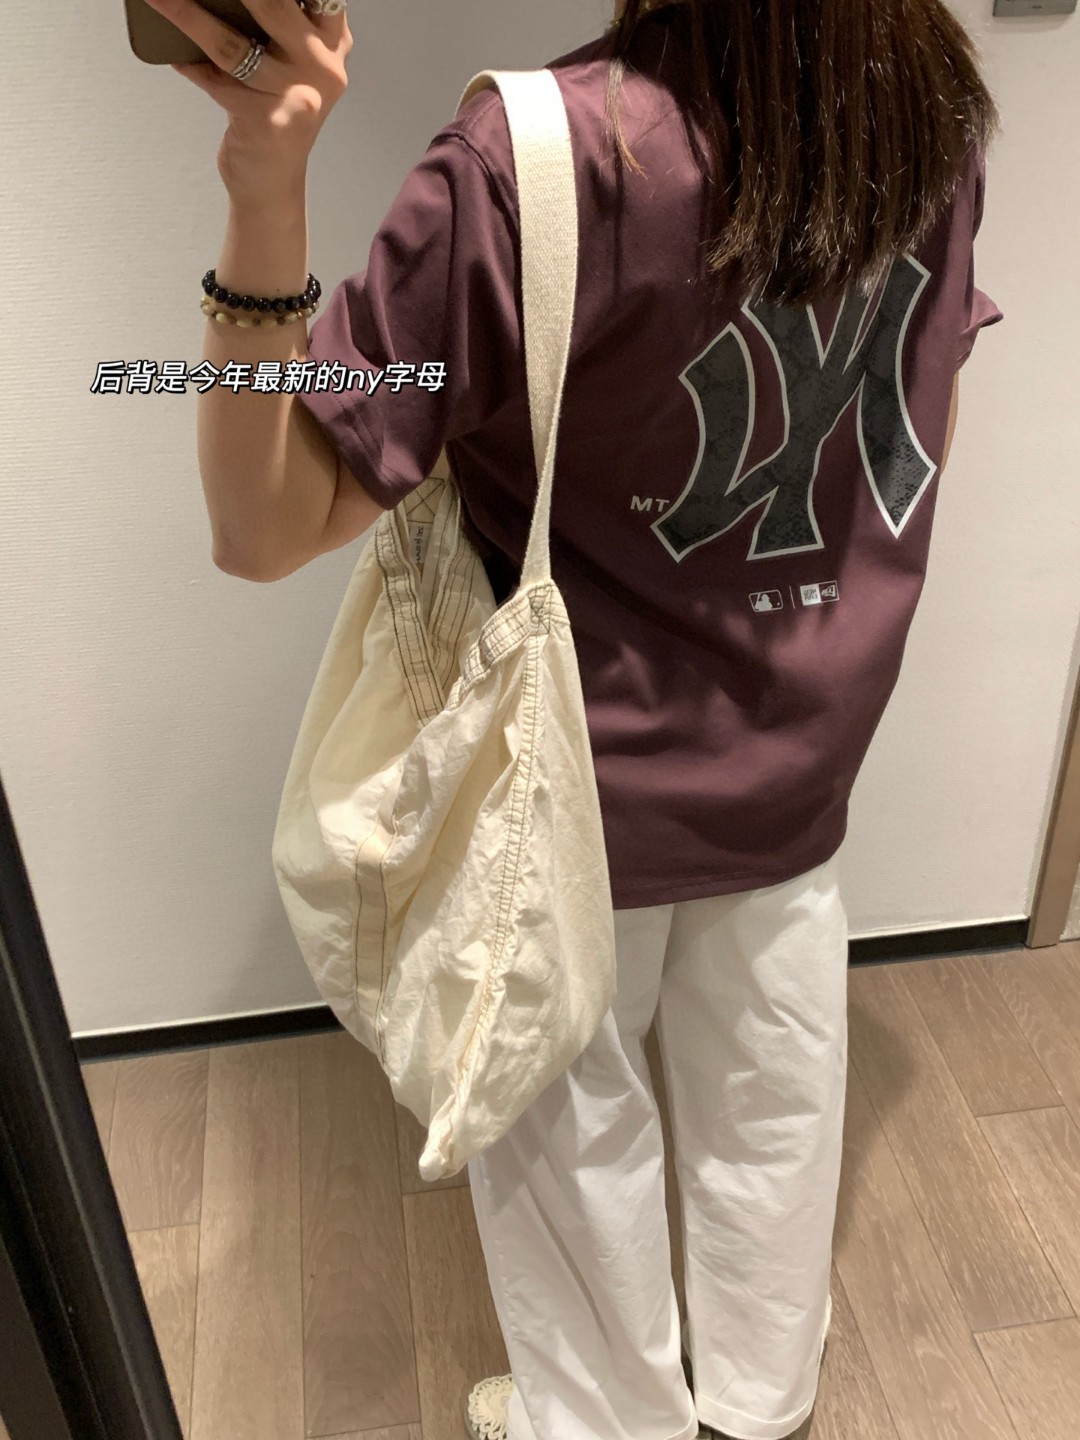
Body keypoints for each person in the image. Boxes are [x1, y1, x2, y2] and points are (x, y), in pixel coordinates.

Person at [164, 0, 1003, 1433]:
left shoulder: (537, 159)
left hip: (570, 790)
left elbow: (265, 520)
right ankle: (759, 1408)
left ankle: (605, 1422)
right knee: (776, 1099)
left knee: (571, 1144)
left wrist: (264, 182)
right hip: (801, 757)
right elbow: (916, 425)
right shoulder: (927, 116)